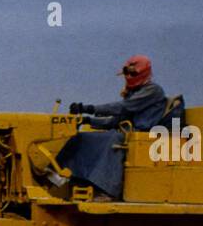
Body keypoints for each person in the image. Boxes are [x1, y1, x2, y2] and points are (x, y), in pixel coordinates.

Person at [56, 56, 168, 199]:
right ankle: (70, 178)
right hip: (127, 132)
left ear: (143, 73)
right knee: (83, 137)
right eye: (126, 72)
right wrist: (87, 120)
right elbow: (115, 120)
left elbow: (122, 108)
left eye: (133, 73)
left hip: (142, 135)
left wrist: (89, 108)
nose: (128, 76)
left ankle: (108, 191)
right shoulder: (135, 92)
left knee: (113, 140)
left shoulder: (153, 90)